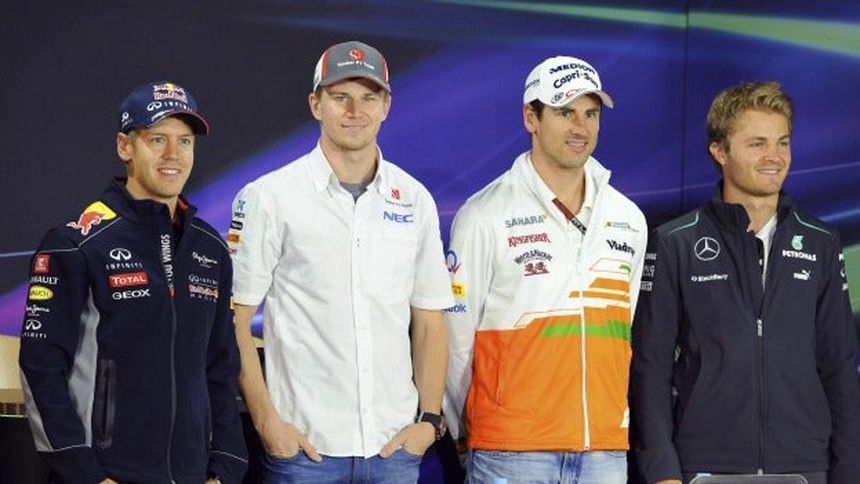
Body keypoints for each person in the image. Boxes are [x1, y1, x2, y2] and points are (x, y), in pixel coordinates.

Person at [228, 40, 453, 483]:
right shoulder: (269, 197)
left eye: (369, 97)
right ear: (316, 104)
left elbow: (430, 321)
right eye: (340, 97)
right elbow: (234, 320)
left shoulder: (414, 199)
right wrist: (267, 424)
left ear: (386, 106)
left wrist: (428, 421)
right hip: (305, 452)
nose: (355, 111)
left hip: (394, 450)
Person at [630, 81, 860, 484]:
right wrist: (661, 469)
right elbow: (651, 365)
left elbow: (839, 367)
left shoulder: (821, 242)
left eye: (782, 142)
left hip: (804, 466)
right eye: (757, 144)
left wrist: (848, 472)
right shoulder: (675, 242)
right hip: (704, 466)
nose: (775, 157)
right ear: (720, 152)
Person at [18, 81, 248, 483]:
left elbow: (222, 368)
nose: (173, 154)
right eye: (157, 139)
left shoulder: (211, 249)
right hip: (105, 476)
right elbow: (40, 368)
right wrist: (87, 475)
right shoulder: (75, 244)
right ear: (125, 147)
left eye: (185, 141)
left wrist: (225, 469)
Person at [444, 55, 648, 483]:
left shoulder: (628, 219)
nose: (581, 127)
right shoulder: (484, 215)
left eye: (591, 113)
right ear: (530, 118)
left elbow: (624, 331)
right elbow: (456, 341)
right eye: (565, 112)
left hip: (604, 452)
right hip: (511, 452)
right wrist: (465, 434)